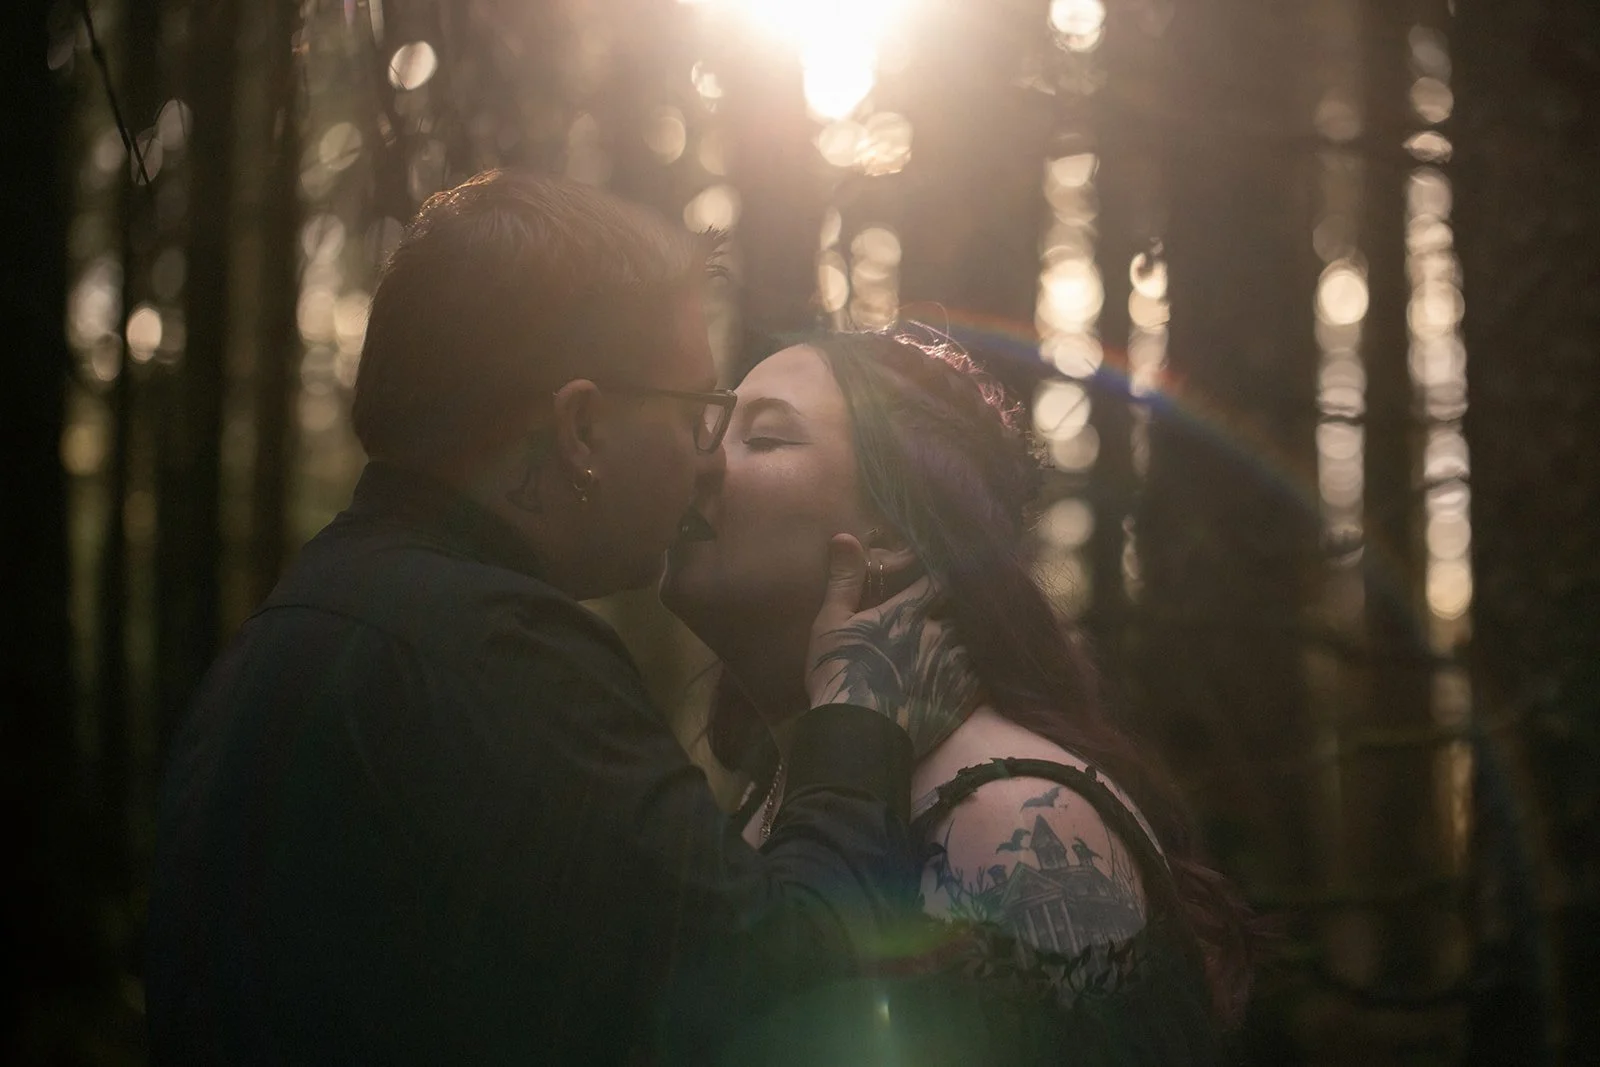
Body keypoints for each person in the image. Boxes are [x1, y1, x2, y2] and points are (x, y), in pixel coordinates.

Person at [143, 174, 951, 1065]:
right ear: (581, 428)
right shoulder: (493, 660)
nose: (707, 460)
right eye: (699, 413)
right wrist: (855, 712)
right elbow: (785, 981)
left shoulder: (323, 615)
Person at [660, 330, 1258, 1064]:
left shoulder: (1013, 820)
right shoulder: (777, 788)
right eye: (710, 430)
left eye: (766, 436)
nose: (700, 462)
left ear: (888, 533)